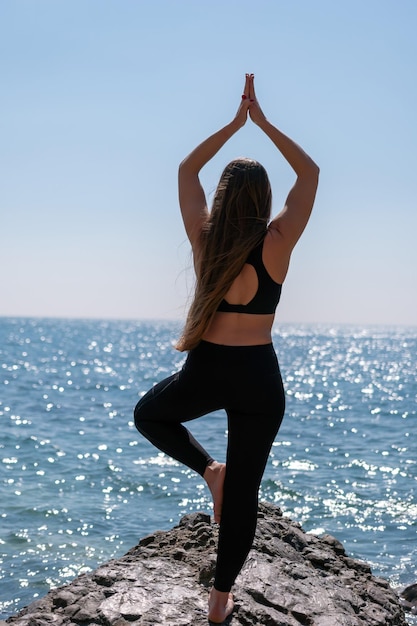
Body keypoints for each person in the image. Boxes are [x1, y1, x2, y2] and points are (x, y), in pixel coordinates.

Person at [134, 74, 319, 623]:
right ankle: (220, 601)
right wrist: (262, 123)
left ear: (222, 196)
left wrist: (235, 125)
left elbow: (187, 170)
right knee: (243, 493)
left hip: (209, 368)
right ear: (264, 199)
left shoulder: (204, 238)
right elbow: (309, 173)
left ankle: (208, 470)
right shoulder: (279, 242)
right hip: (260, 377)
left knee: (149, 415)